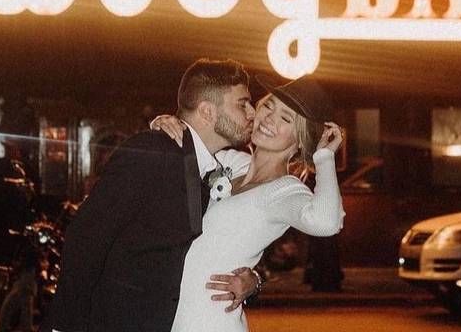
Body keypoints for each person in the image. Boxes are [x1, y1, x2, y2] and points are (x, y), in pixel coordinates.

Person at [41, 58, 261, 332]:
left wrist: (253, 280)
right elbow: (86, 237)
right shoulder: (154, 152)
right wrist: (63, 326)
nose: (252, 113)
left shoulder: (207, 167)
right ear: (207, 112)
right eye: (242, 103)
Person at [152, 73, 345, 332]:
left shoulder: (284, 190)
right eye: (268, 106)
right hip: (168, 315)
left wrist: (324, 158)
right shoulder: (229, 160)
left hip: (210, 322)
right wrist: (163, 125)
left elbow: (327, 223)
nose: (269, 119)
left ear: (300, 139)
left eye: (286, 119)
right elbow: (177, 153)